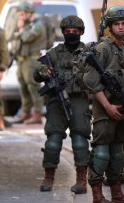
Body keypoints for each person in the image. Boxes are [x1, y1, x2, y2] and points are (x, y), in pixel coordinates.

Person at [76, 5, 124, 203]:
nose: (121, 27)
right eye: (117, 24)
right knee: (102, 152)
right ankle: (98, 199)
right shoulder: (103, 49)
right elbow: (92, 82)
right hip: (106, 107)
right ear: (110, 26)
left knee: (117, 153)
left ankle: (117, 195)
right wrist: (107, 106)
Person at [33, 16, 91, 193]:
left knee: (80, 140)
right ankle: (48, 178)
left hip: (79, 99)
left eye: (75, 31)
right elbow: (36, 73)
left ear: (81, 32)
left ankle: (82, 180)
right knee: (53, 141)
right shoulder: (55, 52)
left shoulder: (89, 53)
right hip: (56, 102)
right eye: (67, 31)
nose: (71, 34)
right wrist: (43, 71)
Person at [6, 1, 46, 125]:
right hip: (22, 60)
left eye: (22, 14)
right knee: (23, 87)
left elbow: (27, 37)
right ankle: (26, 112)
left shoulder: (37, 25)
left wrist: (21, 28)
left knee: (33, 87)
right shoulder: (27, 25)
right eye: (19, 14)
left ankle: (37, 114)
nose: (21, 17)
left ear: (29, 13)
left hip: (32, 60)